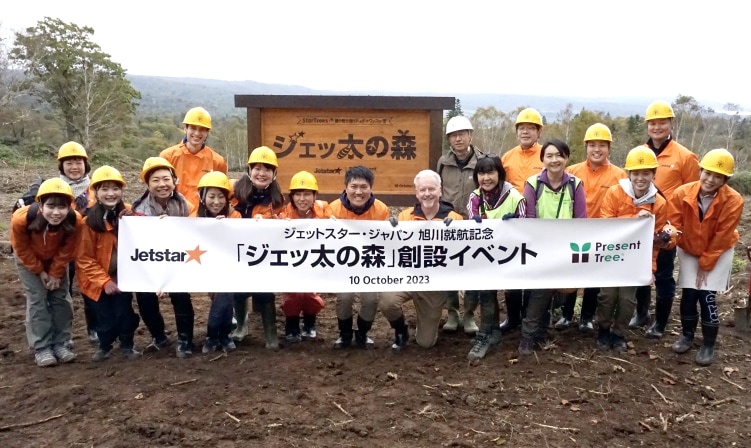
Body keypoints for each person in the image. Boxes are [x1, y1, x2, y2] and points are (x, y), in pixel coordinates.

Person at [669, 149, 743, 366]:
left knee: (706, 295)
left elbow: (723, 235)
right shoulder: (682, 193)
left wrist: (707, 262)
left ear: (725, 179)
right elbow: (675, 225)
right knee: (689, 293)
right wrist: (670, 238)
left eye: (718, 176)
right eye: (707, 173)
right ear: (700, 170)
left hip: (718, 251)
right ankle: (687, 335)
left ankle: (709, 343)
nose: (711, 179)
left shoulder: (734, 200)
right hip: (690, 247)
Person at [632, 101, 700, 337]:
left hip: (668, 226)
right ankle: (641, 313)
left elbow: (693, 193)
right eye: (652, 123)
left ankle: (660, 323)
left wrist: (680, 228)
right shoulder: (640, 152)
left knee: (663, 273)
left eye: (662, 122)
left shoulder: (685, 156)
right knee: (640, 271)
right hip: (641, 223)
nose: (657, 127)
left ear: (671, 123)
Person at [380, 170, 463, 350]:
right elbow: (393, 248)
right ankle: (401, 329)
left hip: (433, 284)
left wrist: (456, 230)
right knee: (386, 301)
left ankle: (425, 321)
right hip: (407, 278)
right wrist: (389, 229)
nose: (427, 194)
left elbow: (462, 254)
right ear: (416, 193)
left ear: (440, 191)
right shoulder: (405, 217)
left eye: (431, 189)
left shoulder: (454, 218)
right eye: (422, 190)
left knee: (426, 343)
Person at [518, 140, 586, 355]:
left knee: (545, 291)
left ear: (566, 158)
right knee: (539, 290)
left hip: (565, 249)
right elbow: (528, 218)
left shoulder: (576, 185)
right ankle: (529, 335)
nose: (554, 160)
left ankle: (535, 331)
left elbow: (580, 220)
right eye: (549, 155)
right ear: (543, 159)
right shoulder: (532, 184)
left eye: (559, 155)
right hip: (537, 247)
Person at [597, 147, 668, 352]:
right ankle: (603, 329)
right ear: (629, 174)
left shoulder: (659, 203)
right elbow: (606, 225)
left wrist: (650, 269)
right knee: (607, 296)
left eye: (646, 173)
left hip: (634, 262)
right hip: (610, 256)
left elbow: (656, 242)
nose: (640, 178)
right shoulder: (615, 193)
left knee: (627, 300)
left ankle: (619, 333)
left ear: (654, 174)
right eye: (636, 173)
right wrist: (634, 221)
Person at [561, 124, 627, 332]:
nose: (596, 149)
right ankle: (565, 315)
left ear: (609, 148)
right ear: (586, 147)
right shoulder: (572, 171)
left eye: (601, 145)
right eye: (592, 145)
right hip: (574, 231)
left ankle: (586, 318)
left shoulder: (620, 175)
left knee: (593, 277)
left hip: (602, 234)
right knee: (570, 274)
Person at [10, 179, 83, 367]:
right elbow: (21, 248)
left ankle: (61, 342)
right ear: (40, 204)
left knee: (61, 298)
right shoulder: (21, 218)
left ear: (69, 207)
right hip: (28, 259)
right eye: (50, 206)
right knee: (37, 299)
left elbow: (69, 249)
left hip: (57, 258)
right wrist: (40, 272)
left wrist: (55, 272)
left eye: (62, 207)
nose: (56, 212)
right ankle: (41, 346)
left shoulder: (76, 221)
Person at [75, 166, 142, 361]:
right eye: (104, 189)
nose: (110, 193)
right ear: (96, 192)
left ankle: (127, 344)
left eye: (115, 188)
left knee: (125, 313)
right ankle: (105, 345)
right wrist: (104, 282)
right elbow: (84, 259)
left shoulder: (129, 213)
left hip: (122, 277)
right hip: (95, 282)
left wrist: (135, 221)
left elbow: (150, 229)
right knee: (104, 317)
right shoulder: (88, 223)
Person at [132, 157, 196, 358]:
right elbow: (140, 245)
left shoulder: (184, 204)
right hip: (150, 262)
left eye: (166, 179)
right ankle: (158, 337)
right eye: (156, 180)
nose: (162, 185)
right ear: (147, 183)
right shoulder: (138, 211)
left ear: (174, 180)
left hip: (179, 260)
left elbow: (196, 228)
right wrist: (158, 276)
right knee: (144, 296)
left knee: (181, 295)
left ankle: (185, 340)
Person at [465, 155, 525, 360]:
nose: (486, 178)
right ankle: (489, 333)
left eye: (491, 172)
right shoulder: (475, 198)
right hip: (486, 255)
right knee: (485, 290)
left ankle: (491, 332)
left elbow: (527, 225)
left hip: (511, 256)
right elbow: (471, 228)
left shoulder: (514, 196)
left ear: (499, 174)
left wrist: (516, 221)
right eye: (481, 173)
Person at [226, 146, 286, 348]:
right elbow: (209, 206)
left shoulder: (277, 200)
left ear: (274, 173)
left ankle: (271, 334)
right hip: (233, 250)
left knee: (264, 291)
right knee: (238, 289)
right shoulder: (231, 190)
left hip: (261, 254)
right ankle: (241, 327)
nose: (262, 173)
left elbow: (284, 228)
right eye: (257, 168)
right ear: (249, 170)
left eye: (267, 169)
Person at [329, 165, 390, 348]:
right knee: (344, 297)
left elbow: (386, 240)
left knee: (371, 299)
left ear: (371, 188)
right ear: (346, 187)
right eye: (354, 186)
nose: (358, 192)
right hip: (342, 264)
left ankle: (362, 333)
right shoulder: (333, 209)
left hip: (370, 263)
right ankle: (345, 333)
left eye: (363, 187)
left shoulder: (381, 210)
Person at [436, 116, 485, 334]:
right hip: (448, 221)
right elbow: (438, 189)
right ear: (449, 139)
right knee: (448, 267)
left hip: (474, 222)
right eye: (454, 135)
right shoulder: (443, 162)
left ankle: (469, 315)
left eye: (462, 134)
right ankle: (453, 312)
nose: (458, 139)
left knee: (473, 269)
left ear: (470, 136)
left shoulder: (483, 161)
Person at [499, 108, 545, 334]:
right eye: (522, 128)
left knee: (535, 271)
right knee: (512, 270)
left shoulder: (547, 155)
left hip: (538, 223)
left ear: (538, 131)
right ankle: (513, 318)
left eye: (530, 128)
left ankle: (532, 317)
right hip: (512, 223)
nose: (525, 132)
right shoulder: (507, 157)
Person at [190, 171, 242, 354]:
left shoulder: (235, 216)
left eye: (221, 196)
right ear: (203, 197)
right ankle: (219, 336)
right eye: (211, 196)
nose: (216, 202)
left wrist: (224, 227)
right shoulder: (194, 217)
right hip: (201, 266)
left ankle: (217, 335)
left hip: (227, 268)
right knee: (223, 297)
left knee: (225, 294)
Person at [279, 171, 331, 343]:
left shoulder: (324, 211)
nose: (302, 199)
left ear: (315, 195)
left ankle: (310, 323)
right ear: (291, 197)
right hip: (290, 264)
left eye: (307, 194)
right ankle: (291, 326)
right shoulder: (283, 215)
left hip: (316, 262)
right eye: (298, 194)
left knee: (310, 296)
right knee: (292, 296)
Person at [57, 141, 99, 344]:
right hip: (63, 250)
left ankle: (95, 329)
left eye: (78, 162)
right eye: (69, 163)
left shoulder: (95, 190)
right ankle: (65, 334)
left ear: (86, 165)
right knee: (62, 294)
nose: (74, 167)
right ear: (62, 166)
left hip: (89, 249)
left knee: (91, 290)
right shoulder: (55, 190)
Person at [159, 107, 228, 210]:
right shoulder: (167, 157)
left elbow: (222, 193)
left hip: (204, 218)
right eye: (193, 128)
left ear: (207, 132)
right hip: (174, 216)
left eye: (202, 129)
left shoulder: (217, 161)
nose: (197, 133)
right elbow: (157, 191)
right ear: (185, 128)